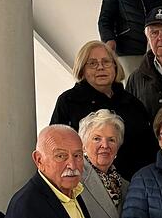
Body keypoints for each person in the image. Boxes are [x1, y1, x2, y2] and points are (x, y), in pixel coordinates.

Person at [50, 40, 155, 179]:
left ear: (115, 66)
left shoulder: (132, 103)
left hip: (132, 183)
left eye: (106, 62)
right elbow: (56, 148)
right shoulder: (68, 101)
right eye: (92, 63)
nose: (100, 67)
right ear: (82, 70)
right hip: (84, 184)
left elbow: (147, 148)